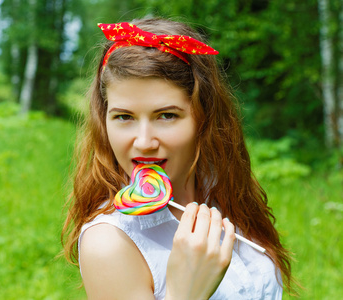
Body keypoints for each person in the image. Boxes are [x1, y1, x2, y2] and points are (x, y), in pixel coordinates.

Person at [62, 17, 293, 299]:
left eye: (167, 115)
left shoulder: (222, 191)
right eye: (124, 117)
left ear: (203, 118)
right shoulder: (110, 243)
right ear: (104, 121)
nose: (144, 142)